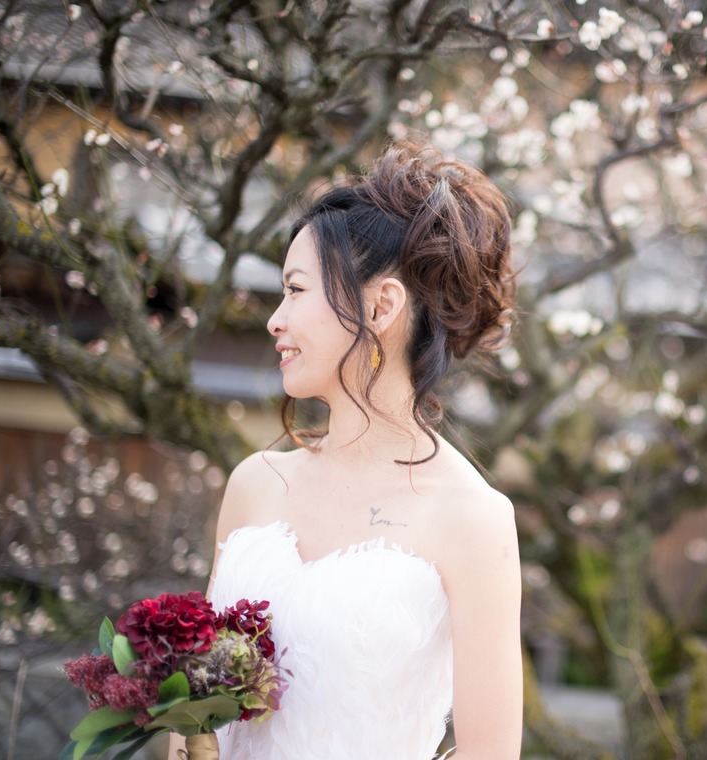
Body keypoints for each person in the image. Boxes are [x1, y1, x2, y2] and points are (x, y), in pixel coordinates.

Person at [169, 142, 523, 759]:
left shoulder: (471, 516)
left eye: (296, 291)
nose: (276, 320)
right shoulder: (255, 484)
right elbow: (196, 709)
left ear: (381, 305)